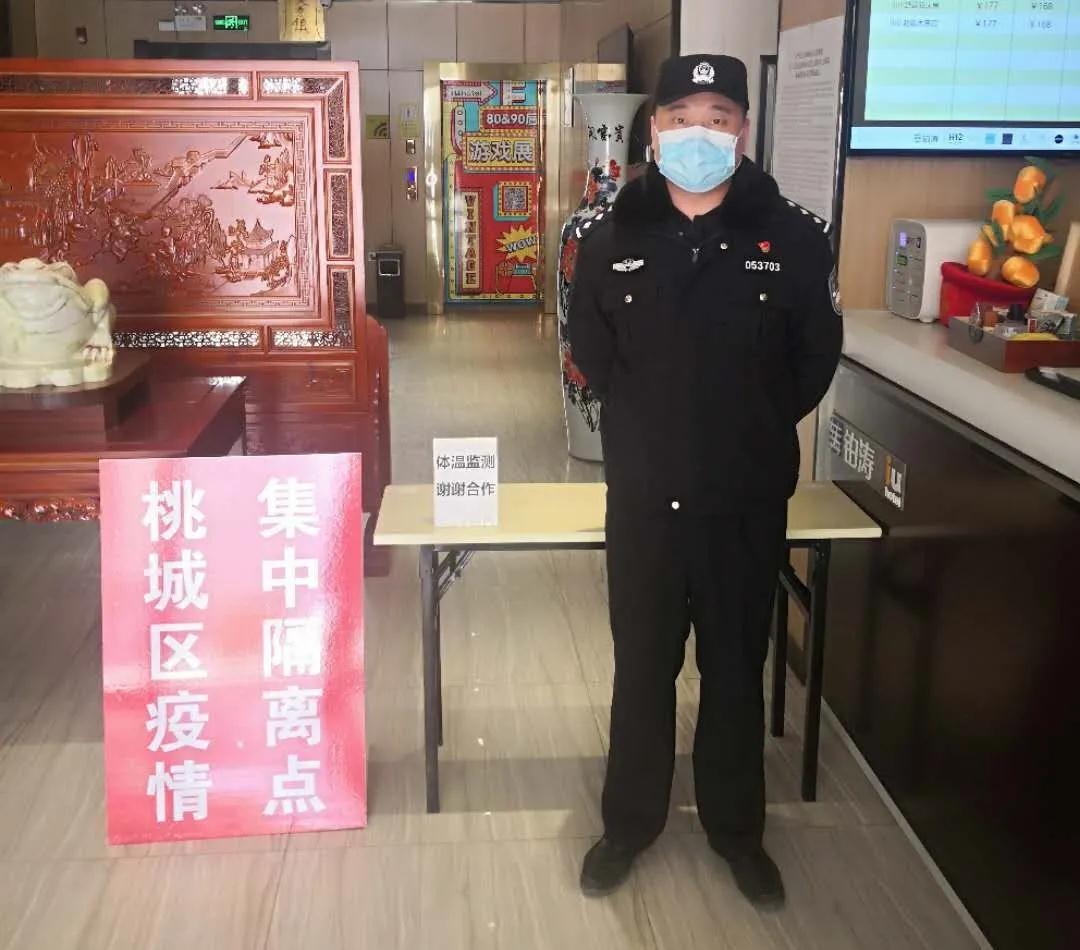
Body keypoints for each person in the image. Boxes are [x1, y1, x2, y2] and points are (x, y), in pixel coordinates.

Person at [568, 53, 843, 908]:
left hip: (743, 501)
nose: (699, 133)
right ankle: (629, 825)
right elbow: (592, 353)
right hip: (645, 501)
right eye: (681, 116)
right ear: (653, 129)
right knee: (641, 668)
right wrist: (654, 432)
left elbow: (813, 362)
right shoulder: (609, 235)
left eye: (718, 117)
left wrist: (744, 430)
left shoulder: (794, 238)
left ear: (743, 131)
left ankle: (736, 832)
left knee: (735, 670)